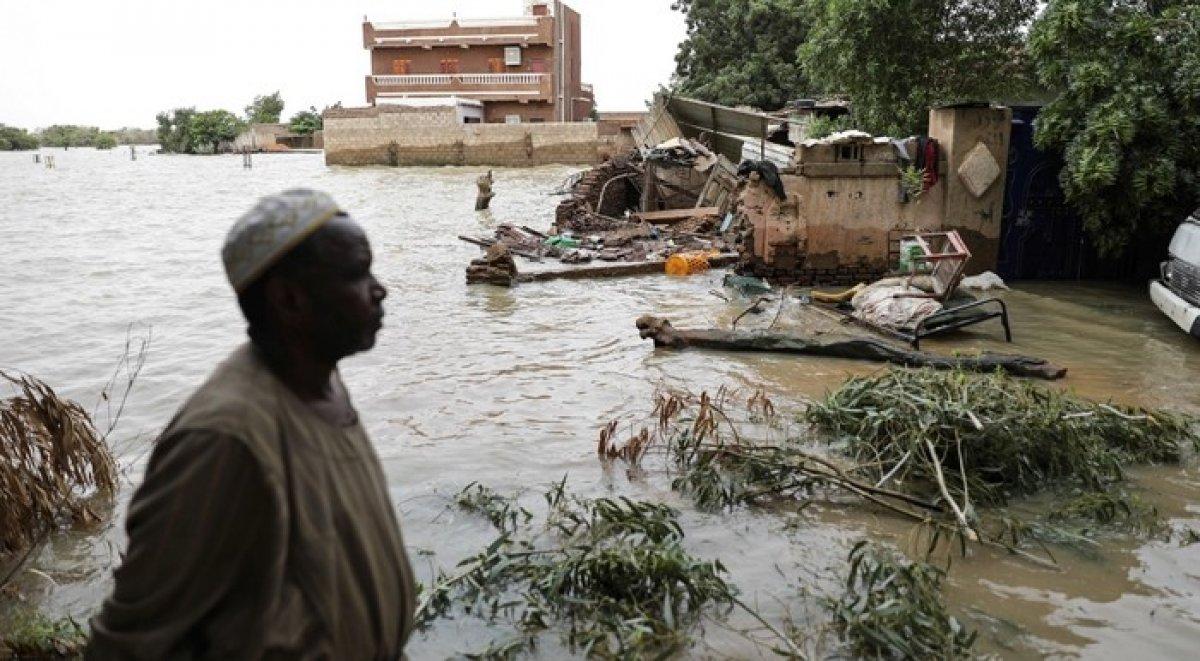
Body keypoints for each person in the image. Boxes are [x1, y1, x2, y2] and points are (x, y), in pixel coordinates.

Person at [86, 189, 415, 660]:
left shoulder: (321, 382)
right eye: (356, 274)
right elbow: (130, 642)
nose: (379, 289)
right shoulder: (225, 438)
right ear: (289, 300)